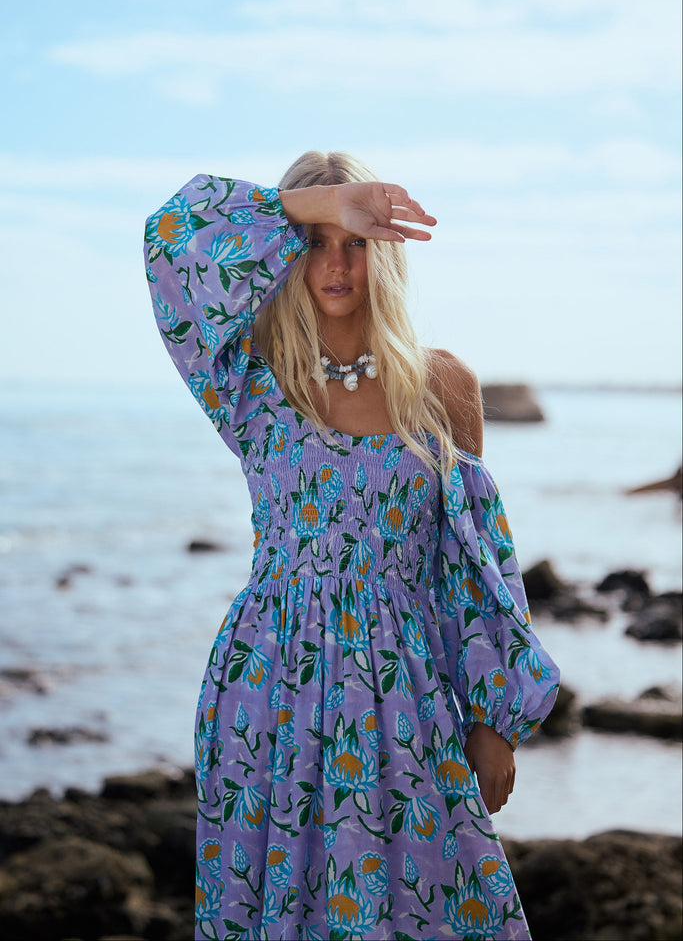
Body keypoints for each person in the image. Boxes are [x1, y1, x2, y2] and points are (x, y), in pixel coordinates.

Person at [144, 151, 560, 941]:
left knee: (443, 906)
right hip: (266, 690)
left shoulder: (442, 386)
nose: (335, 263)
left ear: (386, 253)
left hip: (403, 690)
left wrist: (495, 717)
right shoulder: (251, 382)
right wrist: (330, 201)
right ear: (286, 250)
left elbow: (471, 565)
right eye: (314, 241)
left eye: (357, 242)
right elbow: (172, 236)